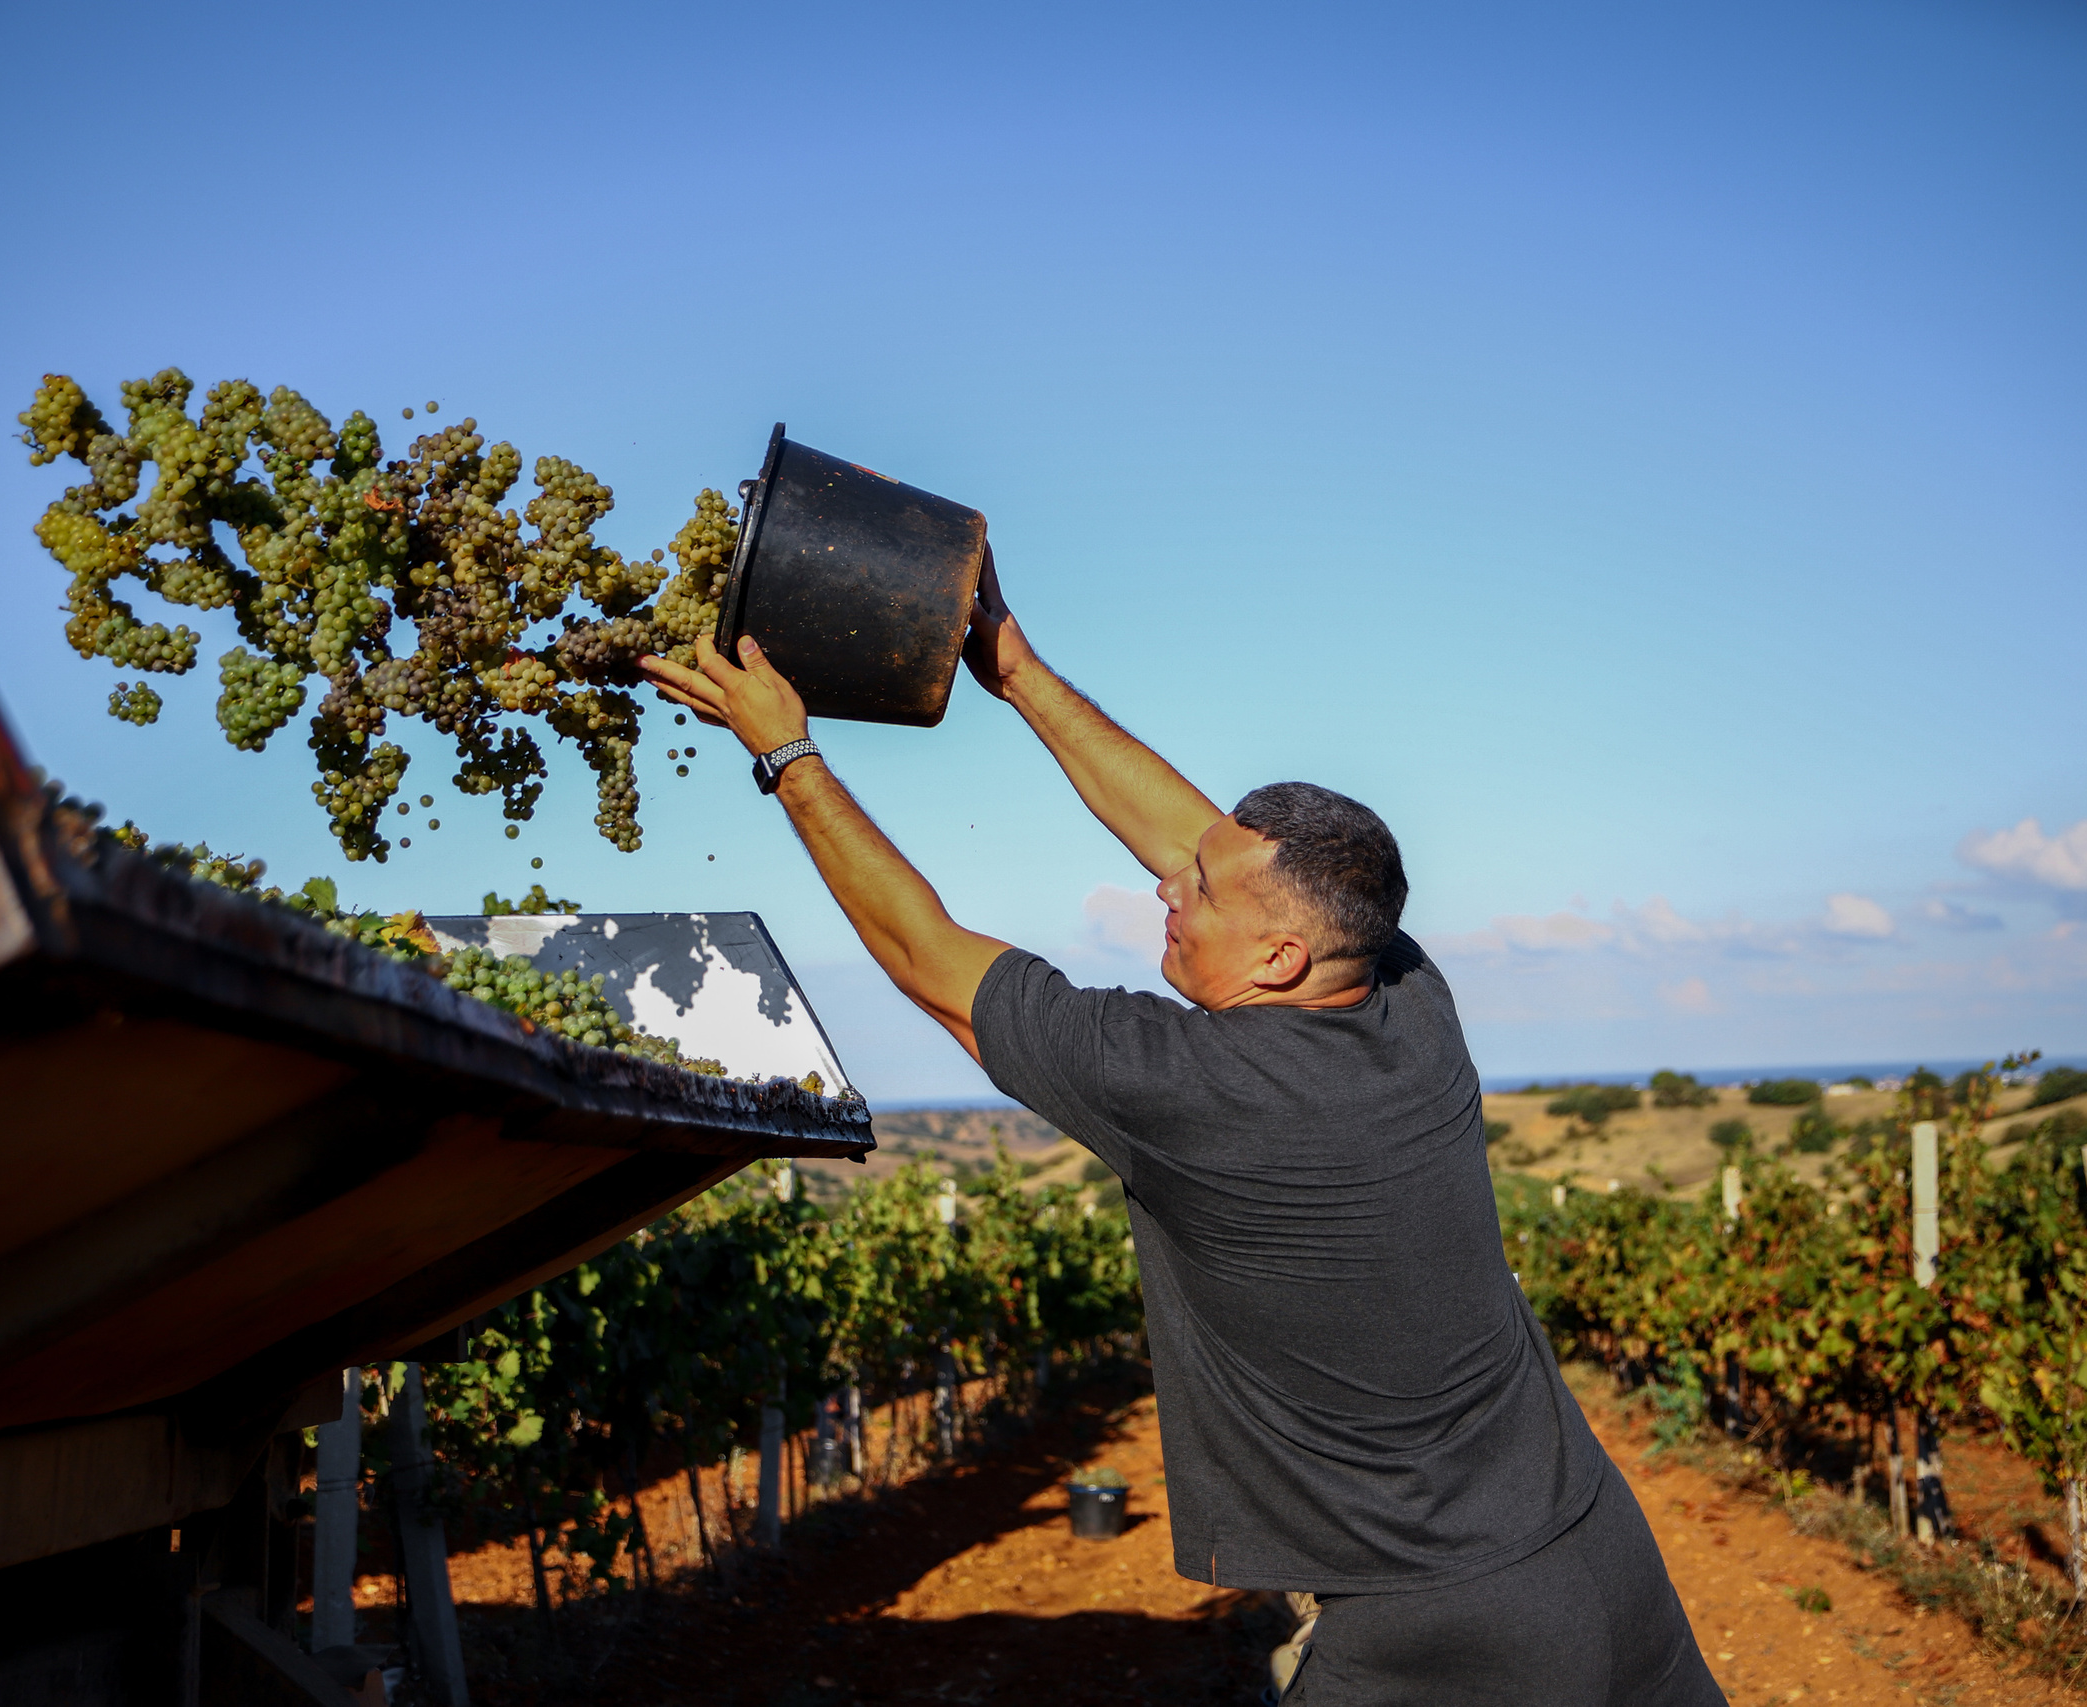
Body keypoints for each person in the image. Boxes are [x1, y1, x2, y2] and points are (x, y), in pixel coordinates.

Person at [639, 557, 1722, 1707]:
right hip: (1600, 1553)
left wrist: (789, 756)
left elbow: (925, 958)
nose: (1165, 887)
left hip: (1439, 1632)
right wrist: (1016, 671)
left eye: (1196, 892)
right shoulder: (1406, 999)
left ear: (1279, 959)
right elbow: (1199, 842)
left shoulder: (1187, 1086)